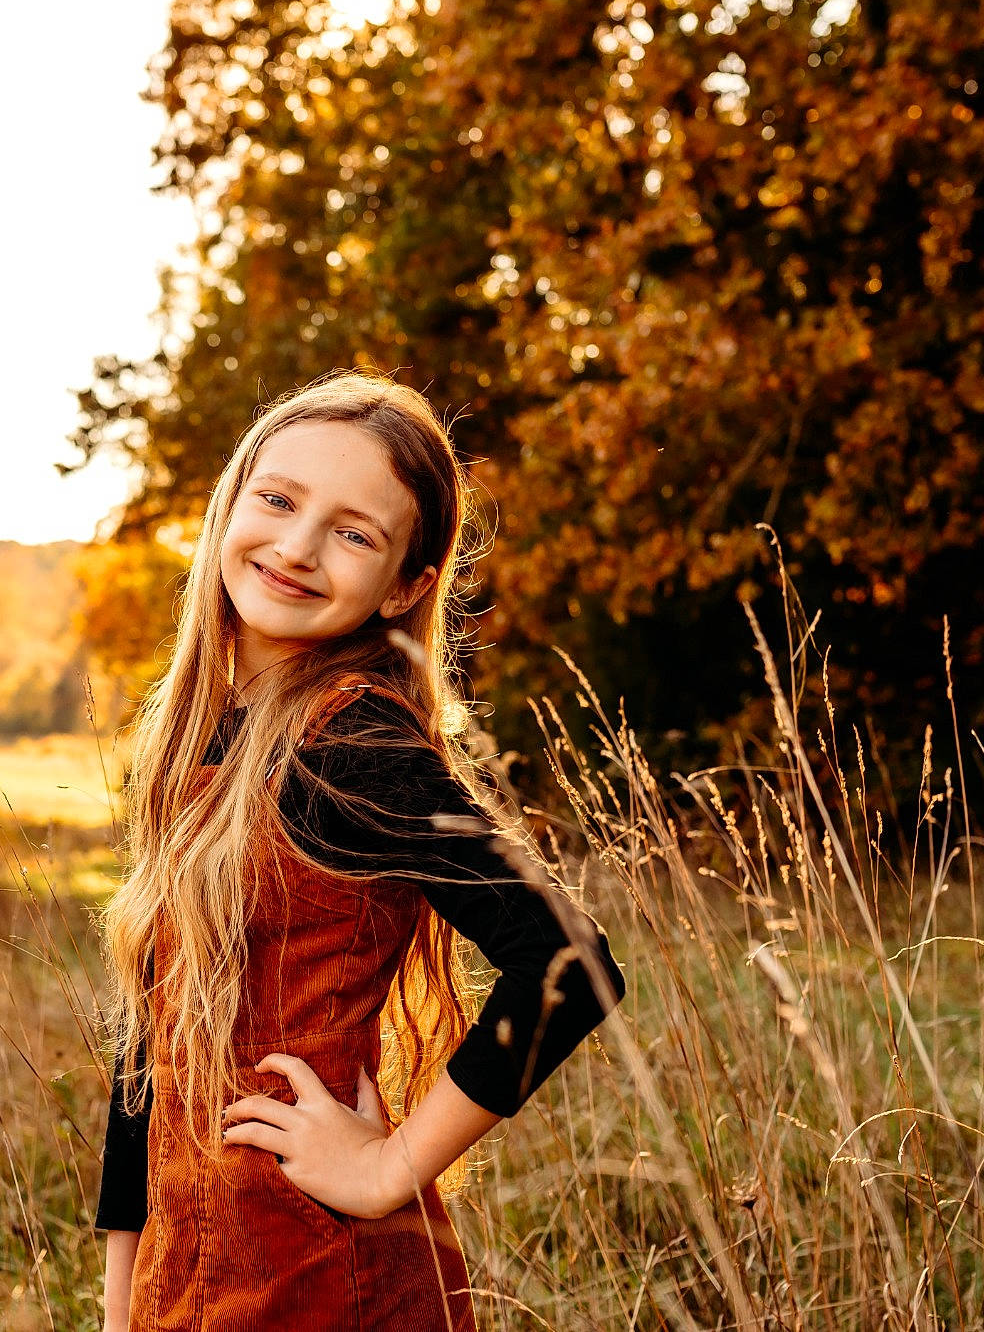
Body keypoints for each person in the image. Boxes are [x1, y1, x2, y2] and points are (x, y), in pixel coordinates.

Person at [93, 371, 627, 1331]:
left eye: (354, 534)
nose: (296, 548)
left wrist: (388, 1168)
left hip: (313, 1271)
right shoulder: (200, 738)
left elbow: (570, 964)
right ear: (230, 504)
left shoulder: (351, 746)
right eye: (278, 500)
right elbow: (152, 1041)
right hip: (192, 1272)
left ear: (407, 587)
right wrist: (121, 1298)